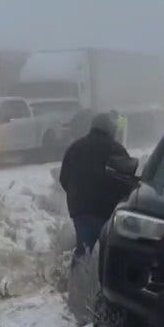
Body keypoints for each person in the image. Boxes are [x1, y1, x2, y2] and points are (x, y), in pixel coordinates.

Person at [59, 113, 135, 266]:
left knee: (84, 249)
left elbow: (64, 178)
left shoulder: (75, 147)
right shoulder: (116, 149)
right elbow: (128, 180)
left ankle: (77, 281)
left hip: (80, 210)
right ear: (110, 129)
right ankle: (101, 282)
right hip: (107, 210)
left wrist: (76, 195)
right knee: (108, 252)